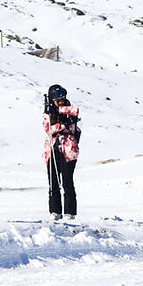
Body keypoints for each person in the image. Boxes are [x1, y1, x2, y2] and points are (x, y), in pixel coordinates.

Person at [44, 84, 81, 219]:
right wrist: (62, 125)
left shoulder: (68, 109)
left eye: (62, 99)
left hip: (68, 150)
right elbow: (49, 130)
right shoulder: (48, 113)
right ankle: (55, 211)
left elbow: (75, 110)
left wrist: (58, 112)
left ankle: (70, 212)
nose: (61, 102)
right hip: (52, 149)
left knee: (67, 181)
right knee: (53, 182)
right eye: (57, 100)